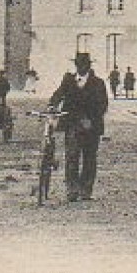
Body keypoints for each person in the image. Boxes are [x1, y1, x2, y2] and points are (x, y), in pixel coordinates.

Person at [48, 52, 109, 201]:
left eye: (84, 65)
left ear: (88, 66)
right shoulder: (68, 80)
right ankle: (72, 189)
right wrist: (52, 105)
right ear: (75, 66)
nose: (80, 68)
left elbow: (103, 105)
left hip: (91, 128)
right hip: (72, 125)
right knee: (71, 157)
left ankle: (86, 190)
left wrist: (91, 120)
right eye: (78, 65)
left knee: (89, 158)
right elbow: (58, 94)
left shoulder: (98, 83)